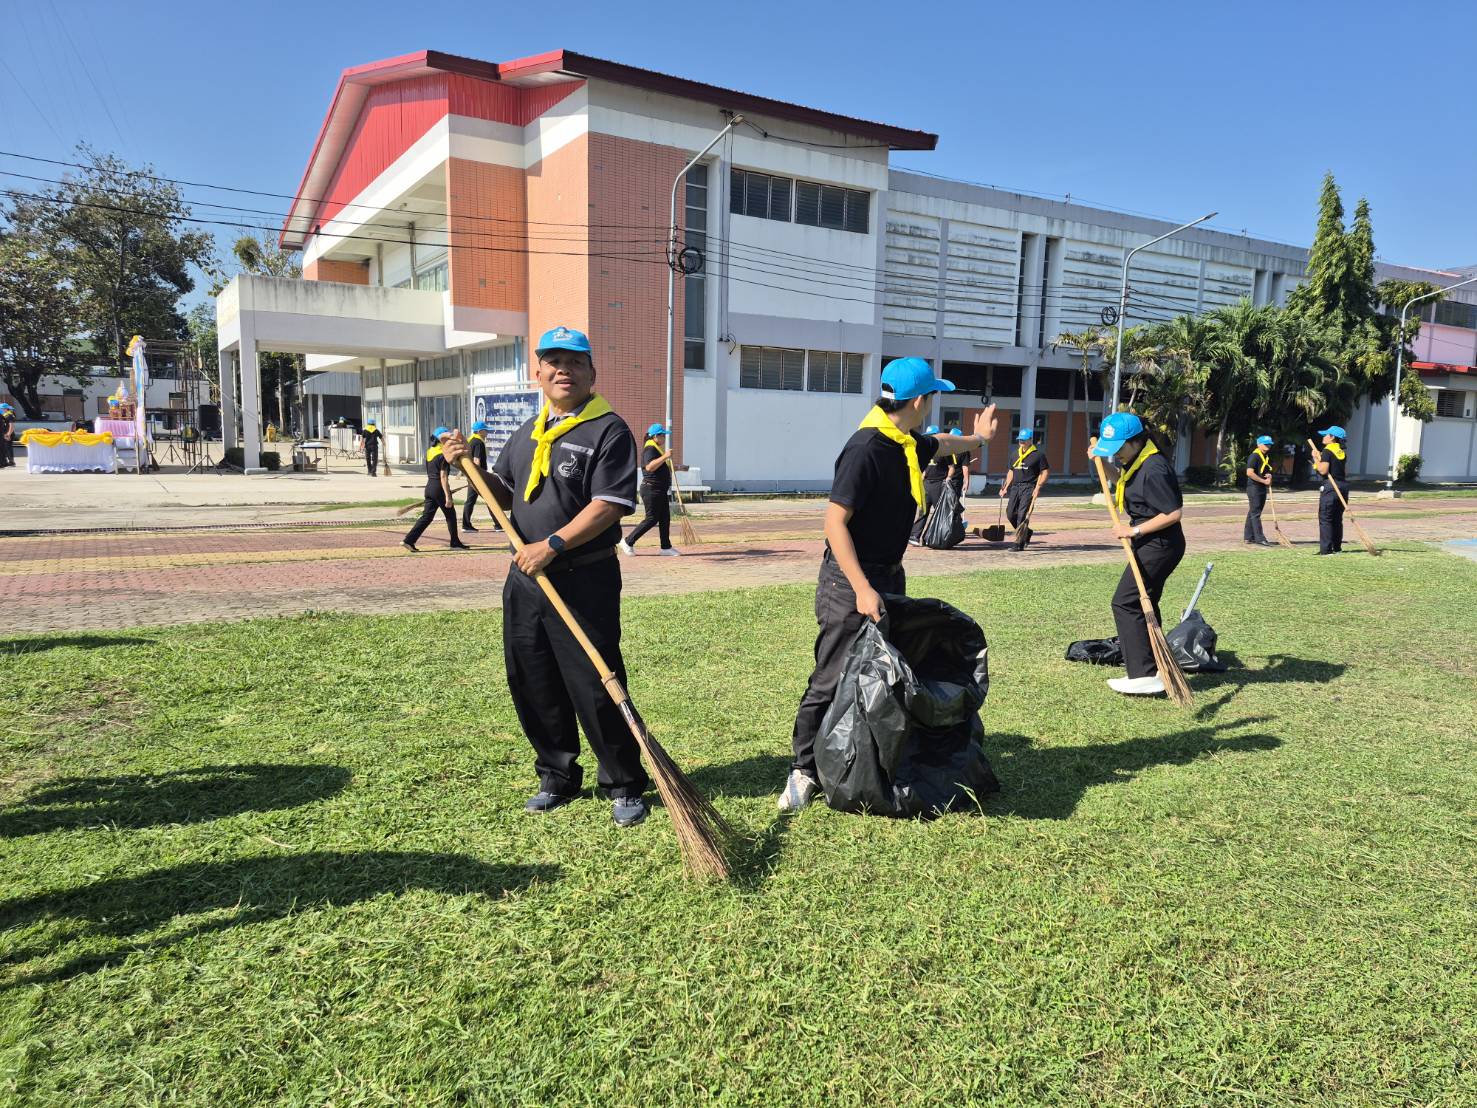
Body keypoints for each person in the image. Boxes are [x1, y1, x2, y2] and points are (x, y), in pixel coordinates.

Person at [442, 326, 650, 828]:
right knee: (532, 677)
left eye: (575, 361)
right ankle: (557, 775)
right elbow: (506, 494)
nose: (564, 370)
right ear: (538, 373)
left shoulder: (609, 430)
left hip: (582, 577)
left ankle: (623, 782)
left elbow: (610, 506)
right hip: (526, 578)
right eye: (553, 361)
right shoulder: (530, 432)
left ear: (591, 372)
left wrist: (552, 544)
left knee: (596, 682)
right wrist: (471, 466)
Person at [780, 357, 997, 812]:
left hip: (887, 575)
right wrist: (861, 588)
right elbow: (834, 523)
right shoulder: (867, 449)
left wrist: (978, 439)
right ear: (919, 400)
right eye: (932, 397)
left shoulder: (903, 442)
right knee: (832, 672)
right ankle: (802, 771)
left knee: (882, 669)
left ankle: (861, 753)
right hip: (849, 580)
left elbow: (938, 444)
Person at [1090, 412, 1185, 697]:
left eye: (1118, 448)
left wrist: (1134, 531)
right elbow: (1123, 480)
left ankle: (1143, 675)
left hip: (1160, 545)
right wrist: (1101, 464)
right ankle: (1157, 667)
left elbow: (1173, 512)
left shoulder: (1154, 467)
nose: (1115, 455)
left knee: (1126, 602)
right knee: (1145, 603)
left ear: (1135, 441)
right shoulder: (1138, 460)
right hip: (1150, 542)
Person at [402, 428, 468, 552]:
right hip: (439, 488)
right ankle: (455, 543)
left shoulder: (429, 452)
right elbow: (443, 477)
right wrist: (448, 496)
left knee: (426, 517)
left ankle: (409, 540)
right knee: (451, 516)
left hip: (429, 487)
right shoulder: (443, 456)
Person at [619, 423, 678, 556]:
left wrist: (676, 466)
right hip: (651, 489)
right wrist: (665, 456)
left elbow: (659, 467)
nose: (664, 438)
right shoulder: (650, 449)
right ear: (655, 436)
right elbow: (650, 467)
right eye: (662, 436)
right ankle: (628, 541)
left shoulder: (656, 448)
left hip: (659, 490)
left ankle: (666, 547)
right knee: (652, 518)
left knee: (664, 518)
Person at [999, 428, 1049, 551]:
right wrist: (1005, 487)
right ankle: (1026, 532)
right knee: (1010, 513)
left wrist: (1038, 487)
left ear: (1030, 440)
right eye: (1020, 440)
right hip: (1016, 487)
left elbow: (1045, 472)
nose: (1021, 442)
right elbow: (1011, 471)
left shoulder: (1038, 455)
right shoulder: (1015, 454)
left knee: (1022, 514)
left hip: (1029, 487)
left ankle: (1019, 543)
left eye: (1024, 440)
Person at [1311, 425, 1349, 555]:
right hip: (1343, 486)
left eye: (1326, 435)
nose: (1324, 437)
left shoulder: (1327, 450)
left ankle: (1326, 550)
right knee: (1337, 518)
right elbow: (1343, 471)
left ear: (1332, 437)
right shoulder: (1341, 452)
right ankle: (1337, 547)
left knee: (1326, 518)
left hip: (1331, 487)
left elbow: (1323, 470)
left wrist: (1316, 458)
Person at [908, 425, 946, 544]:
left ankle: (932, 536)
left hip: (939, 483)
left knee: (939, 512)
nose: (930, 438)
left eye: (932, 436)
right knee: (923, 510)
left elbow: (951, 468)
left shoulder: (944, 451)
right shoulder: (925, 450)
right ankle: (915, 536)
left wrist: (948, 479)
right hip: (926, 483)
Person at [460, 421, 501, 533]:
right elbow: (476, 460)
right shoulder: (478, 442)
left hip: (472, 475)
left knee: (471, 500)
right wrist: (478, 476)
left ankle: (466, 524)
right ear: (479, 431)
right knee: (490, 499)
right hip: (478, 476)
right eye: (485, 430)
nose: (487, 432)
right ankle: (498, 524)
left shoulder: (471, 441)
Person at [1244, 435, 1276, 546]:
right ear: (1259, 444)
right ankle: (1260, 538)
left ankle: (1248, 537)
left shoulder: (1266, 456)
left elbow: (1264, 472)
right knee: (1255, 513)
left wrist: (1268, 477)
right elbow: (1249, 473)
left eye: (1269, 444)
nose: (1268, 446)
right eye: (1266, 444)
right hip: (1254, 488)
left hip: (1261, 487)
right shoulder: (1254, 456)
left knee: (1253, 512)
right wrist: (1263, 481)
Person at [0, 403, 15, 469]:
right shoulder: (5, 415)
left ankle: (11, 461)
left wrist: (8, 434)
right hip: (5, 433)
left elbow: (11, 426)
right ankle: (6, 461)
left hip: (7, 433)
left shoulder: (9, 415)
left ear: (5, 409)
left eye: (1, 409)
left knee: (8, 448)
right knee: (5, 448)